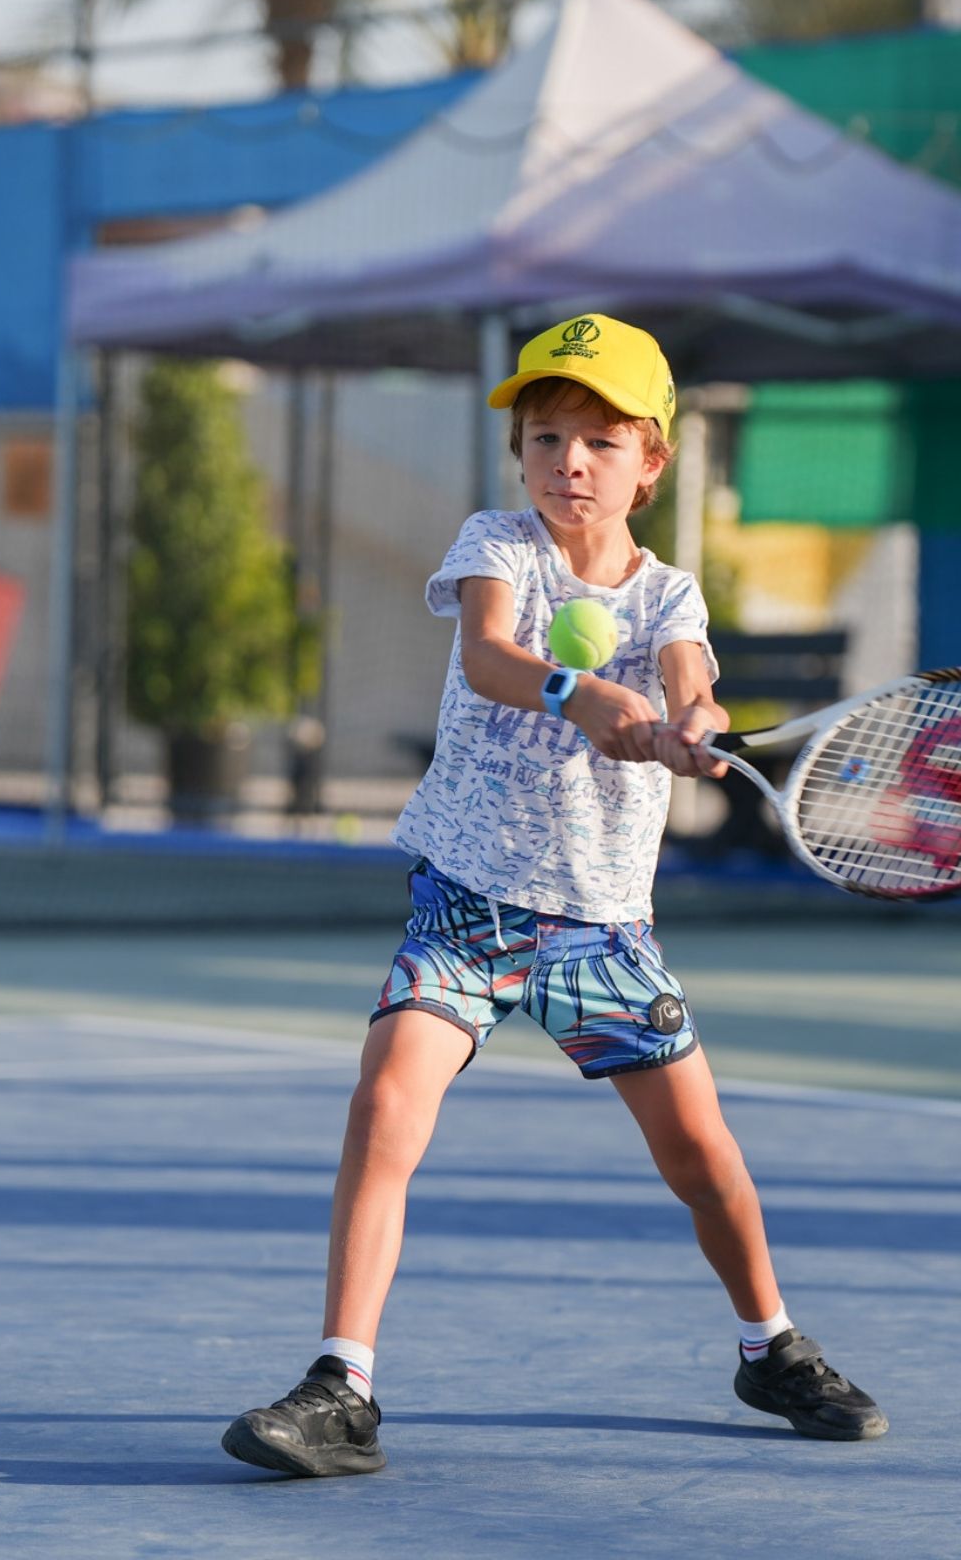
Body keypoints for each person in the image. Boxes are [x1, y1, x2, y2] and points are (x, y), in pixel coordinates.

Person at [220, 314, 887, 1479]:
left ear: (651, 461)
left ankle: (770, 1344)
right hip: (466, 909)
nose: (567, 461)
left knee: (703, 1159)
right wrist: (578, 690)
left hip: (601, 935)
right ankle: (343, 1383)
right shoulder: (498, 545)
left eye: (595, 439)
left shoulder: (672, 596)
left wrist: (690, 725)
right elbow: (489, 655)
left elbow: (692, 685)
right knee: (385, 1109)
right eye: (544, 438)